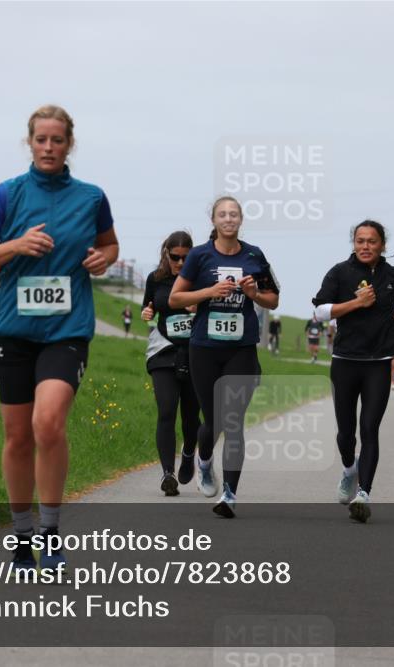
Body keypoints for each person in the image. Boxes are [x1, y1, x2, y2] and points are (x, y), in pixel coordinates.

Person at [0, 104, 119, 572]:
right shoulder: (6, 195)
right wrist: (15, 245)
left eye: (57, 140)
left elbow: (110, 243)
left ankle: (50, 532)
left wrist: (104, 259)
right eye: (40, 140)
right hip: (14, 329)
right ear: (28, 143)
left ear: (70, 144)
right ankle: (22, 535)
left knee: (47, 423)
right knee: (17, 438)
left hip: (67, 330)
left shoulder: (91, 197)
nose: (49, 148)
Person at [168, 196, 280, 518]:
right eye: (222, 214)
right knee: (213, 418)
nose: (228, 219)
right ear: (214, 220)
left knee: (232, 421)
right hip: (203, 348)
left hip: (241, 349)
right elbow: (176, 298)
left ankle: (230, 495)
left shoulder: (254, 255)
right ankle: (204, 461)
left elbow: (273, 300)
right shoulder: (200, 255)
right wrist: (209, 292)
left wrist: (254, 294)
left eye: (234, 214)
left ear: (241, 219)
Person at [311, 220, 394, 523]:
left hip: (380, 361)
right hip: (345, 360)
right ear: (353, 243)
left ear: (382, 244)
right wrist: (355, 303)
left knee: (369, 427)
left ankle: (364, 494)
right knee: (346, 432)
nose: (366, 246)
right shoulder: (340, 273)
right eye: (360, 241)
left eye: (372, 241)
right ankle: (348, 469)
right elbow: (319, 311)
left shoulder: (391, 275)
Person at [141, 232, 202, 495]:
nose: (179, 262)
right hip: (163, 350)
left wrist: (198, 307)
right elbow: (149, 306)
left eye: (184, 258)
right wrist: (148, 312)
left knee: (190, 417)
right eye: (174, 257)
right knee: (167, 410)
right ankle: (168, 473)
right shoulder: (156, 279)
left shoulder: (199, 278)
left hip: (194, 352)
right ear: (166, 254)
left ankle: (188, 453)